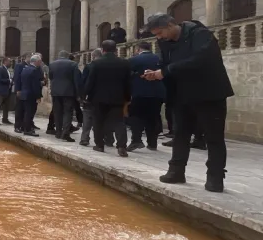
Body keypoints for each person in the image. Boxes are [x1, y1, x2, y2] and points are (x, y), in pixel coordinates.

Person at [142, 14, 234, 193]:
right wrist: (155, 73)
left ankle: (215, 177)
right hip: (182, 94)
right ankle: (176, 171)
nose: (159, 37)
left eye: (160, 33)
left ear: (170, 25)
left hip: (209, 93)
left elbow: (201, 60)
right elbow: (166, 64)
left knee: (213, 137)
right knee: (180, 134)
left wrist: (166, 70)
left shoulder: (200, 34)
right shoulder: (164, 42)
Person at [84, 40, 130, 157]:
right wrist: (127, 98)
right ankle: (121, 147)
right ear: (116, 50)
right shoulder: (124, 63)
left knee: (98, 121)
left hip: (98, 98)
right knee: (119, 122)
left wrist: (84, 95)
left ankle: (99, 145)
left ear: (103, 50)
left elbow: (90, 82)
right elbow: (128, 83)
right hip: (118, 98)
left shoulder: (96, 64)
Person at [127, 41, 166, 152]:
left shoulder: (134, 60)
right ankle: (152, 143)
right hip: (158, 93)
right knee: (153, 117)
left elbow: (127, 74)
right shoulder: (159, 59)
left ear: (138, 49)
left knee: (135, 116)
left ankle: (136, 140)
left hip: (140, 92)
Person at [49, 50, 80, 142]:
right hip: (68, 92)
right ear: (67, 56)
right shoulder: (73, 64)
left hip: (55, 92)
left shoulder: (52, 64)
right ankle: (65, 133)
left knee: (57, 112)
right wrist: (78, 94)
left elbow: (51, 77)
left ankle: (58, 132)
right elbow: (76, 80)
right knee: (68, 112)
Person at [79, 48, 103, 147]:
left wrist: (83, 96)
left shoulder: (89, 66)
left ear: (92, 56)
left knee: (87, 117)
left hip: (91, 96)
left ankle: (85, 138)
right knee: (103, 118)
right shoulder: (106, 65)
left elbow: (84, 81)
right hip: (105, 97)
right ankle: (108, 138)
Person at [18, 54, 44, 137]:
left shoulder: (25, 69)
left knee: (26, 112)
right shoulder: (34, 70)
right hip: (31, 95)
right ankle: (27, 130)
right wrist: (38, 96)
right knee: (30, 113)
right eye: (40, 61)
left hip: (24, 93)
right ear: (36, 62)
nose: (40, 63)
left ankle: (24, 127)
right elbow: (35, 85)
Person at [13, 53, 30, 133]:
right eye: (30, 57)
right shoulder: (19, 65)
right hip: (20, 91)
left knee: (25, 110)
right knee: (19, 109)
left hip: (27, 92)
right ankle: (17, 126)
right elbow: (17, 78)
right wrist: (18, 90)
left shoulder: (30, 66)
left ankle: (24, 126)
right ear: (26, 57)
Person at [0, 57, 12, 125]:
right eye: (9, 61)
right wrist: (9, 81)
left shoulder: (7, 70)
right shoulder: (0, 69)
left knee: (6, 107)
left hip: (6, 91)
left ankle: (5, 119)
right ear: (5, 62)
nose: (11, 63)